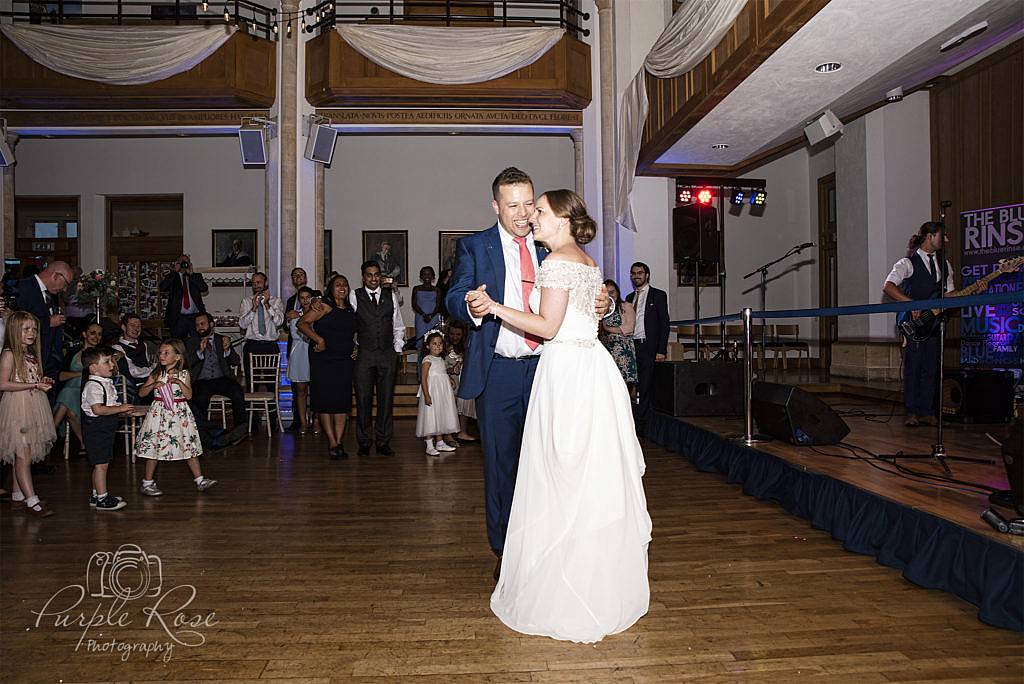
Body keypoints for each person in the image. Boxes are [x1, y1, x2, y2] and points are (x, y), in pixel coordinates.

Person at [466, 189, 651, 644]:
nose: (532, 217)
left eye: (541, 211)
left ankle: (559, 580)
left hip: (565, 371)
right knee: (586, 475)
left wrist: (493, 307)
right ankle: (592, 573)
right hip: (593, 370)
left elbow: (547, 326)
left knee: (557, 474)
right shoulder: (588, 261)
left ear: (563, 219)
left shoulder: (553, 263)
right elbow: (584, 312)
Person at [444, 167, 612, 583]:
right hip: (498, 369)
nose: (523, 214)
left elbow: (580, 290)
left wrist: (603, 302)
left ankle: (548, 545)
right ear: (496, 206)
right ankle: (506, 551)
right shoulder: (474, 246)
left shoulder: (550, 242)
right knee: (501, 464)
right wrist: (472, 304)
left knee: (550, 463)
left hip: (550, 368)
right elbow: (453, 294)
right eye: (513, 205)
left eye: (529, 203)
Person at [883, 221, 955, 427]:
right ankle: (911, 410)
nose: (946, 240)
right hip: (912, 325)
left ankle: (927, 410)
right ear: (930, 236)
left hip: (934, 324)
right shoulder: (906, 263)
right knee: (913, 368)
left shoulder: (945, 264)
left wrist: (971, 291)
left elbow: (948, 294)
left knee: (931, 367)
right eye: (943, 236)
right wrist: (910, 303)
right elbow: (888, 286)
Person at [135, 339, 216, 496]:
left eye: (167, 353)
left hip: (179, 413)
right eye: (161, 353)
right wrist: (153, 385)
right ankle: (147, 482)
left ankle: (200, 479)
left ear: (178, 357)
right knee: (155, 446)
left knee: (187, 445)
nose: (162, 356)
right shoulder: (157, 373)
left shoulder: (184, 374)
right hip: (159, 413)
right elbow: (141, 393)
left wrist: (178, 382)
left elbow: (189, 395)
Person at [0, 311, 58, 517]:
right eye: (26, 329)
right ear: (15, 330)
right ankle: (32, 500)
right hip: (17, 408)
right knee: (22, 453)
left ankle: (18, 495)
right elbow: (3, 383)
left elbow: (30, 376)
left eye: (34, 329)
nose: (32, 333)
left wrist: (42, 381)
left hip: (33, 404)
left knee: (25, 452)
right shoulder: (9, 354)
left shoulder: (30, 354)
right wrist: (34, 384)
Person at [349, 261, 405, 457]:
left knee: (386, 399)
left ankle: (383, 441)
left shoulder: (391, 295)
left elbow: (398, 325)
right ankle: (364, 442)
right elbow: (349, 324)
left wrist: (397, 349)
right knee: (363, 400)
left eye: (376, 275)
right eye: (369, 275)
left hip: (387, 355)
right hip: (364, 355)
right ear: (363, 277)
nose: (373, 278)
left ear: (380, 276)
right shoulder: (354, 296)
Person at [299, 275, 358, 459]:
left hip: (344, 361)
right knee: (325, 402)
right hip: (323, 361)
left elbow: (351, 334)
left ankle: (339, 442)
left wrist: (355, 346)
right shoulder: (323, 306)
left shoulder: (350, 310)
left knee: (342, 403)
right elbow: (302, 324)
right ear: (330, 289)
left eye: (345, 284)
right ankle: (332, 442)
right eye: (338, 284)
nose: (342, 287)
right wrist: (319, 339)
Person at [80, 346, 134, 511]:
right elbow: (98, 409)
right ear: (93, 368)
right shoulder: (94, 386)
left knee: (99, 463)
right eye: (107, 362)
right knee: (101, 464)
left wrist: (119, 409)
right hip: (97, 430)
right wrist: (121, 409)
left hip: (104, 429)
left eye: (111, 361)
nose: (112, 365)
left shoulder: (103, 382)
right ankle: (102, 498)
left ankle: (97, 494)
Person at [185, 312, 247, 448]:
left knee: (237, 391)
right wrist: (199, 353)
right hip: (201, 380)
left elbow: (236, 360)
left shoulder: (222, 339)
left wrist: (227, 350)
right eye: (197, 325)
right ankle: (204, 435)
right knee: (199, 399)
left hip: (221, 378)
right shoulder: (191, 342)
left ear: (211, 324)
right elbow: (187, 364)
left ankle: (240, 431)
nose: (199, 327)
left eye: (202, 324)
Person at [626, 262, 669, 434]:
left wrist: (661, 350)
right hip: (631, 346)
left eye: (640, 273)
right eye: (633, 273)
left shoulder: (658, 295)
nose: (636, 276)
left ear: (647, 275)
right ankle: (631, 421)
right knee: (629, 385)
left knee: (645, 387)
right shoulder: (629, 298)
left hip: (648, 347)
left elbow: (664, 324)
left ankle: (643, 426)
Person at [14, 259, 72, 382]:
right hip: (32, 356)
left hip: (50, 359)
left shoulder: (52, 293)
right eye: (66, 283)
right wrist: (47, 322)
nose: (65, 289)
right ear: (55, 276)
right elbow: (16, 321)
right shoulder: (23, 287)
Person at [54, 322, 103, 449]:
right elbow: (60, 376)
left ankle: (50, 433)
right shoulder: (73, 352)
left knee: (66, 397)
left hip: (88, 392)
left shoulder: (102, 355)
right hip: (70, 389)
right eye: (92, 333)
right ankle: (84, 443)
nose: (96, 337)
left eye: (99, 334)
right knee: (69, 404)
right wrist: (80, 374)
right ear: (84, 334)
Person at [238, 271, 285, 394]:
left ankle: (272, 412)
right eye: (253, 283)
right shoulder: (246, 302)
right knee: (251, 383)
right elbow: (242, 324)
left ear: (266, 283)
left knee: (272, 383)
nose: (256, 285)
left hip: (270, 346)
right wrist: (253, 308)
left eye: (259, 282)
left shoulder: (276, 301)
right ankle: (252, 413)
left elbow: (279, 322)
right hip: (252, 345)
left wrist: (267, 304)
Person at [416, 331, 460, 456]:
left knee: (440, 416)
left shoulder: (441, 359)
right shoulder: (427, 360)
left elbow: (443, 372)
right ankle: (429, 445)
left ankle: (440, 443)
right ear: (428, 346)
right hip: (432, 392)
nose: (438, 346)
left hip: (442, 393)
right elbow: (423, 379)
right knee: (431, 417)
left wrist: (450, 380)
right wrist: (427, 395)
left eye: (440, 343)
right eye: (434, 344)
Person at [599, 279, 638, 392]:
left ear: (618, 292)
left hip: (623, 351)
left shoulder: (626, 306)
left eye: (613, 292)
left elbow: (630, 328)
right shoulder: (600, 308)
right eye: (607, 292)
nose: (610, 295)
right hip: (606, 349)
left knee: (622, 384)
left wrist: (608, 329)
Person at [159, 254, 207, 340]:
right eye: (182, 262)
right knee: (178, 344)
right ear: (177, 263)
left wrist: (191, 275)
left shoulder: (196, 276)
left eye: (186, 262)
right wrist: (174, 271)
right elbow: (162, 287)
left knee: (197, 342)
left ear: (190, 264)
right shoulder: (173, 277)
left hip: (195, 317)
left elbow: (204, 288)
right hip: (178, 318)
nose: (184, 264)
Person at [287, 286, 315, 434]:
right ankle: (303, 422)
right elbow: (296, 334)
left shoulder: (318, 313)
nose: (305, 300)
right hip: (299, 353)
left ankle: (315, 421)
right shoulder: (294, 315)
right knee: (301, 391)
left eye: (307, 297)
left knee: (316, 391)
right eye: (302, 298)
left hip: (314, 352)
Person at [112, 313, 156, 404]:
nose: (136, 329)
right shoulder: (117, 348)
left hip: (148, 383)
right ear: (124, 327)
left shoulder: (144, 345)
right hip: (133, 388)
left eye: (139, 326)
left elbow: (147, 362)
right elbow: (132, 371)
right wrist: (153, 370)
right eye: (132, 325)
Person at [445, 321, 477, 444]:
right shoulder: (444, 348)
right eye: (452, 334)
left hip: (464, 379)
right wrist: (450, 370)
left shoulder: (466, 348)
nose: (455, 337)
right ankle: (448, 433)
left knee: (465, 402)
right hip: (450, 380)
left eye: (458, 334)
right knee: (451, 405)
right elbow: (438, 367)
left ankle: (462, 432)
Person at [411, 266, 442, 351]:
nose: (427, 276)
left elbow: (438, 305)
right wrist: (424, 315)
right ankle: (420, 363)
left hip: (433, 318)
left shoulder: (437, 290)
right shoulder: (416, 289)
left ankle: (433, 363)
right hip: (421, 319)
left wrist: (431, 316)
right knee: (421, 342)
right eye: (424, 274)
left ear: (433, 277)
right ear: (421, 277)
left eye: (429, 274)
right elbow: (414, 304)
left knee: (434, 341)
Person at [284, 267, 308, 360]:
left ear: (305, 278)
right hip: (294, 343)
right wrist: (288, 319)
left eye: (301, 274)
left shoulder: (315, 294)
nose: (298, 276)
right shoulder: (290, 300)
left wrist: (299, 314)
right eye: (295, 275)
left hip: (308, 341)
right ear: (292, 280)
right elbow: (285, 327)